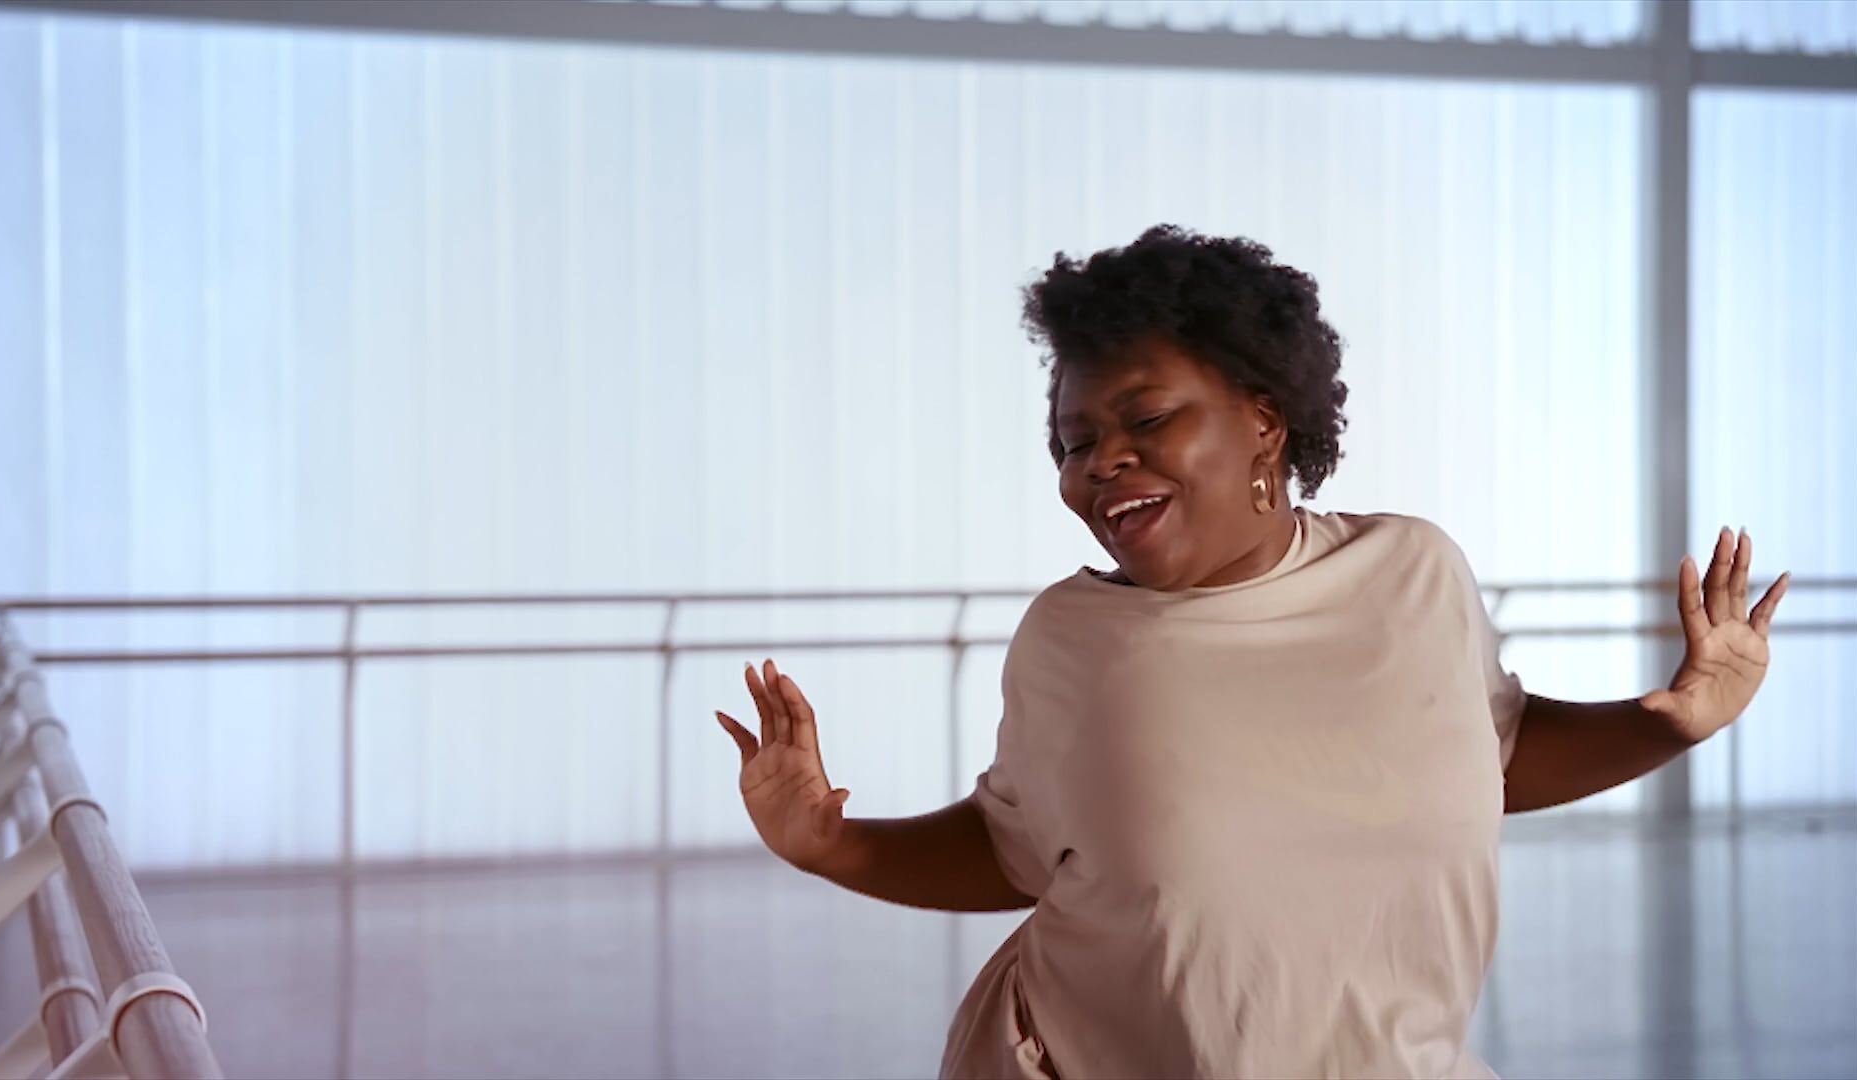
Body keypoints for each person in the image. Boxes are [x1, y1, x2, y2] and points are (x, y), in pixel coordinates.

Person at [711, 226, 1789, 1079]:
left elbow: (1489, 757)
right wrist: (826, 843)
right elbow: (1014, 852)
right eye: (1076, 440)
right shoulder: (1073, 641)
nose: (1101, 462)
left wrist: (1672, 718)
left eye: (1146, 417)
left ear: (1265, 422)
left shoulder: (1412, 574)